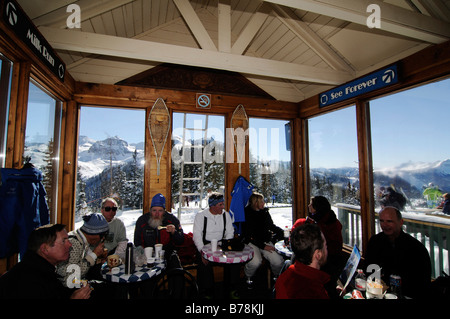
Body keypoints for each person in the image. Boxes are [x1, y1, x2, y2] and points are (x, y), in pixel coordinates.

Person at [0, 224, 91, 299]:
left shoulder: (41, 270)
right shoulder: (29, 280)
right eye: (64, 241)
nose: (70, 244)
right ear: (45, 249)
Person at [365, 206, 432, 298]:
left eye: (389, 221)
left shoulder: (415, 248)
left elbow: (422, 282)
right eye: (381, 221)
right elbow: (369, 268)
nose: (384, 225)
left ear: (401, 222)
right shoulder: (375, 241)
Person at [292, 196, 343, 297]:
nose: (308, 206)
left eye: (311, 204)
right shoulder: (327, 220)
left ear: (317, 208)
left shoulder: (320, 225)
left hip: (327, 261)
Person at [193, 192, 238, 298]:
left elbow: (230, 232)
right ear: (212, 206)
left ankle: (231, 289)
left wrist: (226, 244)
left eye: (223, 204)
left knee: (233, 261)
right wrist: (202, 251)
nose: (223, 207)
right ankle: (207, 292)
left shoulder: (225, 215)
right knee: (204, 263)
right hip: (204, 245)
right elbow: (197, 235)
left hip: (221, 244)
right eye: (220, 205)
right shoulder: (201, 216)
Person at [56, 213, 109, 296]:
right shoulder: (74, 243)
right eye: (103, 236)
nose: (103, 239)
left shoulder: (82, 241)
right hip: (66, 287)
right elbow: (71, 278)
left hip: (74, 281)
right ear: (94, 235)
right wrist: (94, 254)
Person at [275, 223, 330, 299]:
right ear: (318, 254)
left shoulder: (285, 276)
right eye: (325, 246)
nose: (327, 250)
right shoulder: (314, 291)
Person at [242, 192, 284, 288]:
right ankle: (248, 278)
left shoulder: (265, 212)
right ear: (255, 203)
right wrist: (263, 246)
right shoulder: (247, 214)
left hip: (265, 240)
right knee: (256, 261)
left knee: (277, 261)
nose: (264, 203)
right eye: (262, 201)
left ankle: (277, 277)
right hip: (252, 242)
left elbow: (271, 226)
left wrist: (284, 233)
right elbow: (249, 235)